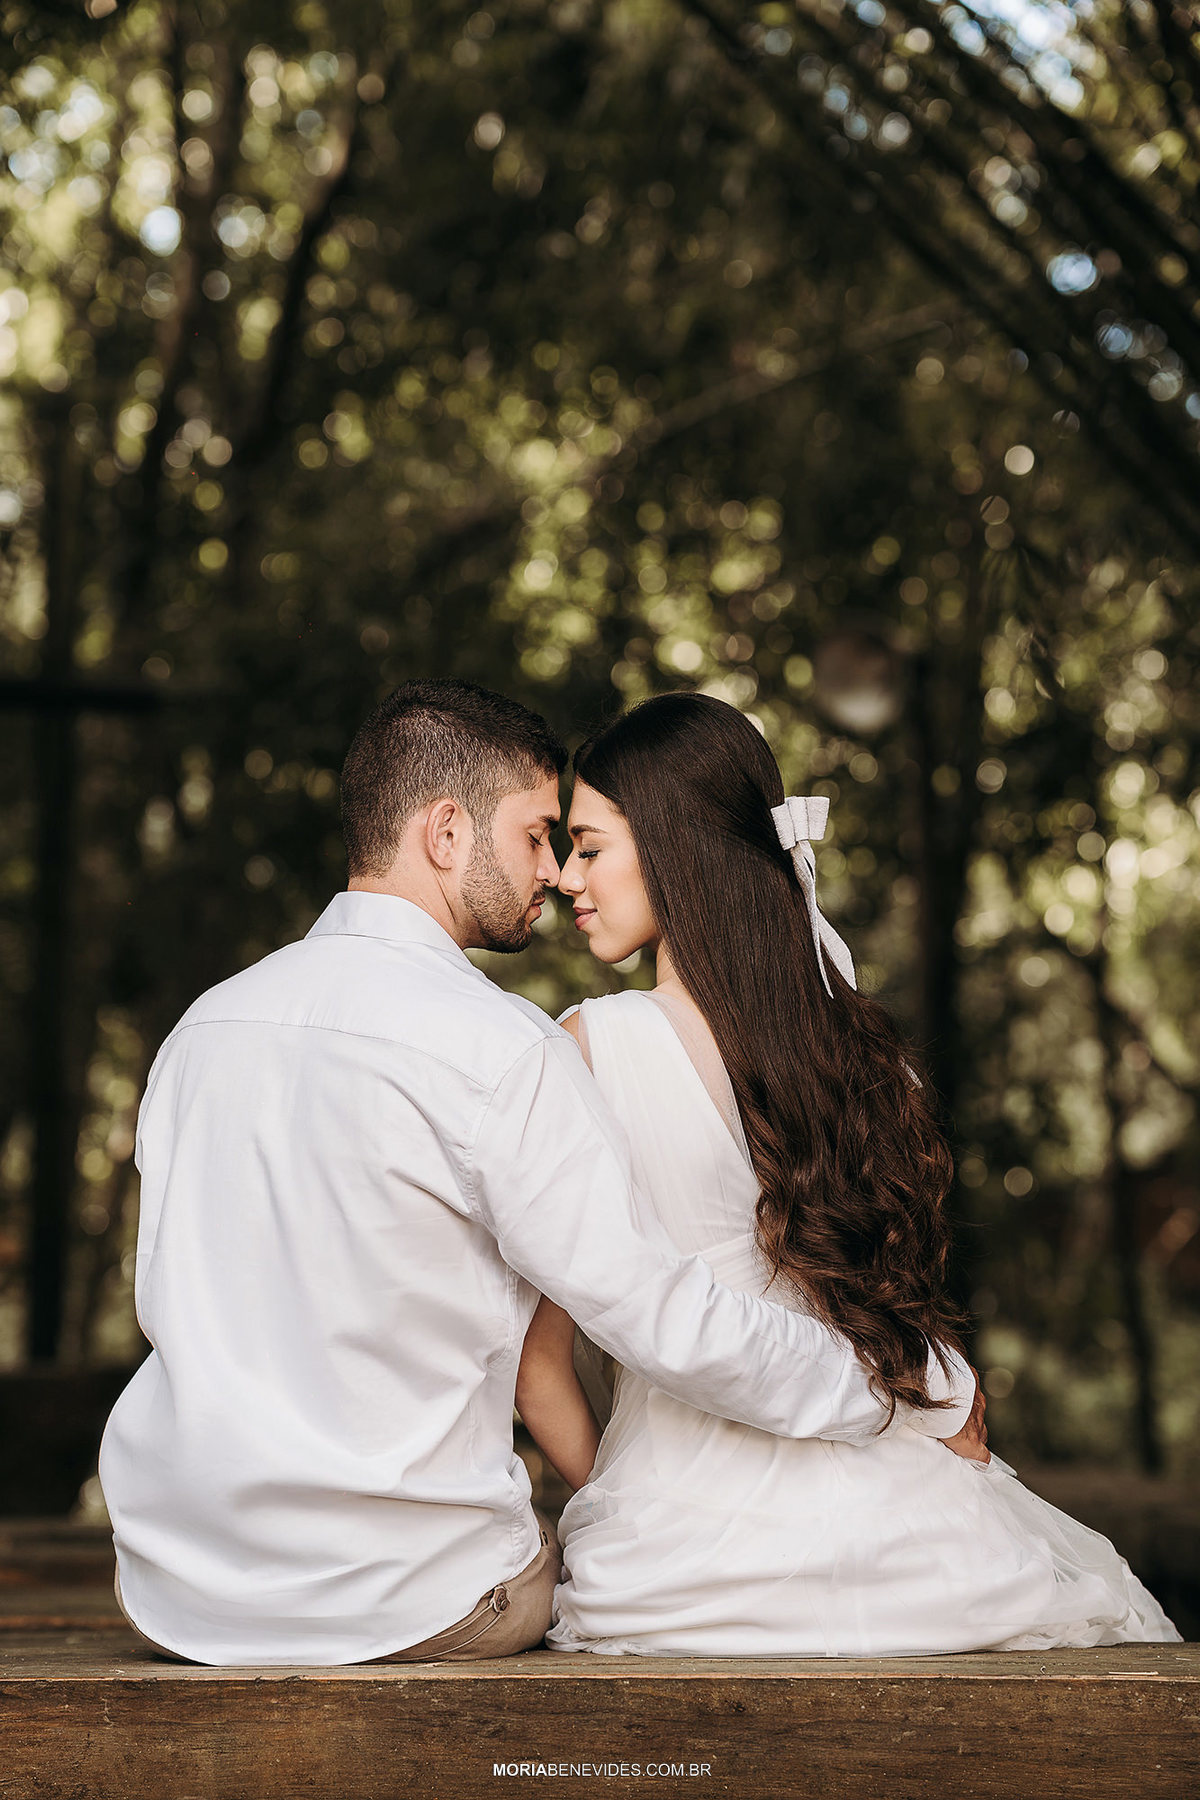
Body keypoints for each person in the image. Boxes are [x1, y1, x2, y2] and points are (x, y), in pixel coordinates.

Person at [98, 679, 982, 1668]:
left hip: (179, 1590)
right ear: (444, 833)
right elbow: (661, 1318)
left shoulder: (201, 1033)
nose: (551, 872)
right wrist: (895, 1388)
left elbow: (167, 1303)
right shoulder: (502, 1049)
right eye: (534, 834)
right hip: (416, 1598)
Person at [517, 691, 1180, 1657]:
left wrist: (630, 1504)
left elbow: (541, 1376)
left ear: (672, 846)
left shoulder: (591, 1046)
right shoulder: (854, 1049)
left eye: (590, 846)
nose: (569, 878)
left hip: (683, 1560)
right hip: (904, 1516)